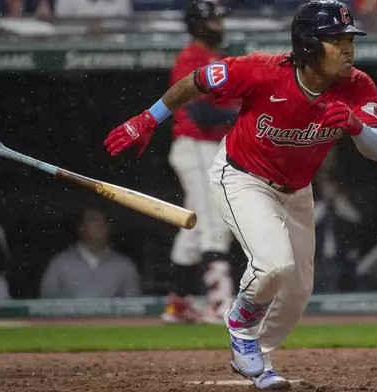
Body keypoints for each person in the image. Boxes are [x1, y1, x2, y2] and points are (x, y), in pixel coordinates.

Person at [103, 0, 377, 388]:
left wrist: (357, 127)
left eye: (348, 39)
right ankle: (240, 325)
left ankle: (256, 355)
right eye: (335, 40)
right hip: (243, 177)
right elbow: (199, 80)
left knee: (297, 292)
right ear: (308, 44)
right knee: (273, 264)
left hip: (296, 190)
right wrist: (147, 120)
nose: (347, 48)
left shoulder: (357, 85)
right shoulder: (260, 70)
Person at [161, 0, 238, 326]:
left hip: (212, 146)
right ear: (198, 23)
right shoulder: (190, 58)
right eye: (214, 20)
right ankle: (221, 306)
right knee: (213, 225)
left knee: (192, 231)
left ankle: (177, 305)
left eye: (221, 19)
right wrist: (242, 115)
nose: (220, 26)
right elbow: (199, 113)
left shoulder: (219, 59)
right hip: (195, 144)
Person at [40, 207, 141, 298]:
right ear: (81, 228)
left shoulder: (125, 266)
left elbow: (135, 307)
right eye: (93, 220)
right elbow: (46, 304)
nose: (98, 226)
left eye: (102, 222)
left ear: (108, 228)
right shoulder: (60, 263)